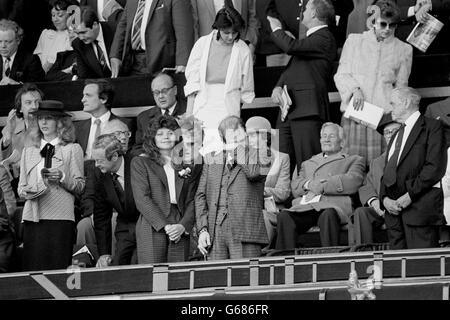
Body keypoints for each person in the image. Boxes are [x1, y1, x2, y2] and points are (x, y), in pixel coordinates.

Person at [334, 0, 413, 166]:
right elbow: (341, 75)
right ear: (373, 22)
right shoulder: (355, 41)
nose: (387, 29)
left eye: (392, 26)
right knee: (352, 165)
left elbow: (401, 87)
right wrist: (355, 90)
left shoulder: (403, 49)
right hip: (356, 114)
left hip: (384, 117)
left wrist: (395, 115)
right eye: (383, 24)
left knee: (381, 167)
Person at [269, 0, 337, 174]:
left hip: (308, 110)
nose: (303, 11)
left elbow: (290, 47)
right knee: (279, 163)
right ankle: (281, 198)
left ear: (314, 13)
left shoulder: (325, 37)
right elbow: (293, 68)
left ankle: (309, 199)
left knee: (308, 164)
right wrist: (278, 86)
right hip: (288, 110)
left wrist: (276, 28)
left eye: (306, 8)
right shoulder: (309, 41)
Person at [18, 100, 85, 271]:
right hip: (33, 216)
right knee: (33, 269)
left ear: (60, 122)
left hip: (60, 217)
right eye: (40, 118)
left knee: (57, 268)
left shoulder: (72, 149)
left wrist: (62, 177)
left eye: (49, 118)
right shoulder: (28, 151)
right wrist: (26, 191)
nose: (44, 123)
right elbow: (20, 188)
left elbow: (80, 186)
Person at [276, 122, 365, 249]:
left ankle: (330, 261)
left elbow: (353, 181)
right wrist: (309, 184)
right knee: (284, 216)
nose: (326, 139)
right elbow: (295, 186)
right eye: (323, 136)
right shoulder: (308, 163)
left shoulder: (354, 160)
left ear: (342, 142)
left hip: (332, 206)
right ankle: (285, 262)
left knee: (327, 215)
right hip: (306, 206)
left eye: (331, 136)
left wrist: (323, 186)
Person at [380, 87, 447, 249]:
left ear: (406, 102)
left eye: (393, 103)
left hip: (419, 210)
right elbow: (389, 169)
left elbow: (434, 168)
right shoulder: (396, 134)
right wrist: (384, 199)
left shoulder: (433, 127)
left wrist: (410, 195)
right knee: (398, 269)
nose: (390, 108)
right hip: (394, 215)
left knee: (421, 266)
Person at [184, 2, 255, 154]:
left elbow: (247, 86)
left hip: (229, 104)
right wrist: (189, 114)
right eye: (226, 32)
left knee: (228, 148)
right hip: (203, 103)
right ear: (217, 28)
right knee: (203, 147)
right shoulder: (202, 44)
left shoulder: (243, 49)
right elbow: (192, 80)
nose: (231, 36)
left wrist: (236, 106)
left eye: (235, 32)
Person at [196, 116, 270, 260]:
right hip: (214, 231)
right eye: (229, 132)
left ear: (246, 133)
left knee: (245, 278)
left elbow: (254, 173)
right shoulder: (211, 160)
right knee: (216, 279)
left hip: (246, 231)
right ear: (223, 139)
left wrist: (238, 149)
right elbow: (200, 196)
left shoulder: (262, 153)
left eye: (237, 130)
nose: (235, 135)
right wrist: (203, 229)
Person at [131, 115, 197, 264]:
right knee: (154, 276)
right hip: (153, 223)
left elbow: (194, 198)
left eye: (170, 133)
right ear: (152, 138)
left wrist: (183, 225)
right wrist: (166, 226)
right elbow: (142, 199)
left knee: (178, 278)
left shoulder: (187, 164)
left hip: (180, 223)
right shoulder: (141, 162)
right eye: (160, 134)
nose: (165, 137)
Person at [76, 118, 131, 252]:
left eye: (126, 133)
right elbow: (89, 197)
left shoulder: (136, 163)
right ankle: (88, 261)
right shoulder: (97, 168)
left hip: (126, 215)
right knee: (85, 225)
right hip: (101, 212)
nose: (123, 138)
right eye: (118, 134)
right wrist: (92, 214)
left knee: (114, 221)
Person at [109, 0, 194, 77]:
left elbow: (184, 30)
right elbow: (123, 26)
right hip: (133, 62)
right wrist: (115, 55)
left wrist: (182, 62)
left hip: (161, 63)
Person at [91, 131, 139, 267]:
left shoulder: (137, 164)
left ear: (114, 157)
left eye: (99, 160)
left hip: (146, 223)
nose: (96, 165)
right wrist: (104, 253)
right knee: (118, 264)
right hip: (124, 226)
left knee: (138, 263)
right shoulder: (100, 174)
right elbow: (101, 216)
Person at [352, 114, 401, 244]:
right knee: (361, 213)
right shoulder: (377, 162)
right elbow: (366, 186)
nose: (390, 135)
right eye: (387, 132)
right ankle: (362, 254)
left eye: (394, 131)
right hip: (381, 209)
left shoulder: (413, 155)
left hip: (403, 207)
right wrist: (374, 202)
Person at [245, 116, 291, 247]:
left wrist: (260, 191)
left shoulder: (282, 158)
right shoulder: (243, 159)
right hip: (246, 210)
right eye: (248, 136)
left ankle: (262, 257)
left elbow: (283, 192)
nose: (250, 140)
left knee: (262, 218)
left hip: (271, 211)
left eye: (254, 135)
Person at [74, 79, 133, 159]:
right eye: (83, 95)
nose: (83, 100)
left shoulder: (125, 124)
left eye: (88, 95)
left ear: (104, 99)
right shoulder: (77, 127)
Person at [133, 72, 186, 155]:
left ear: (175, 90)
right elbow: (138, 148)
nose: (160, 96)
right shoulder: (144, 118)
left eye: (164, 91)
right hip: (155, 164)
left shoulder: (190, 111)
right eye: (156, 92)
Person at [190, 0, 259, 55]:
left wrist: (251, 44)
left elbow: (253, 16)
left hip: (240, 51)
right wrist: (198, 51)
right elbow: (194, 24)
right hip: (208, 52)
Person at [33, 0, 76, 74]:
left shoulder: (74, 35)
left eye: (60, 15)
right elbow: (36, 60)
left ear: (71, 16)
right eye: (53, 15)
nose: (55, 19)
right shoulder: (46, 33)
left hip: (61, 79)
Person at [72, 6, 115, 79]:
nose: (80, 37)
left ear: (95, 25)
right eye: (77, 33)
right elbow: (84, 75)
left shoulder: (114, 30)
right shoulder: (78, 44)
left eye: (83, 32)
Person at [0, 19, 44, 85]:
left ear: (18, 41)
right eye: (0, 41)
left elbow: (39, 87)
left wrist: (16, 84)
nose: (3, 46)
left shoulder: (31, 61)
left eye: (7, 42)